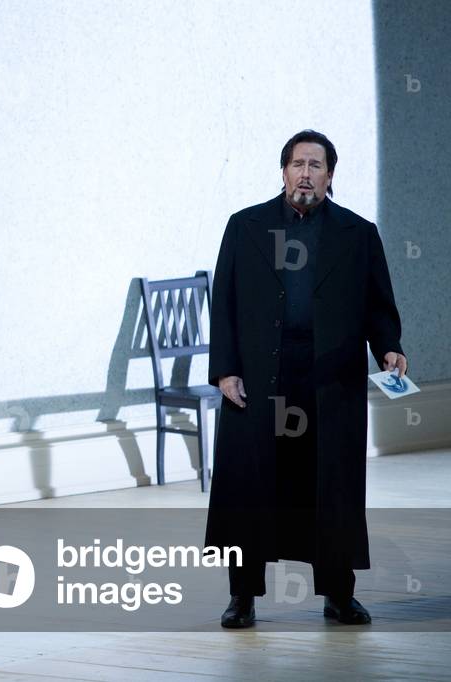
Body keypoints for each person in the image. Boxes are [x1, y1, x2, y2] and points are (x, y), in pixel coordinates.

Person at [205, 130, 406, 628]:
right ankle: (242, 597)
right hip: (257, 379)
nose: (305, 174)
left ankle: (339, 595)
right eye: (298, 164)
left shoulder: (358, 234)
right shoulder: (245, 227)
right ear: (283, 171)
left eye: (316, 165)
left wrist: (389, 347)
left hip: (328, 382)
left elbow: (378, 306)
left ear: (330, 176)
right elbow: (224, 303)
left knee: (330, 489)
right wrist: (225, 369)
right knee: (250, 490)